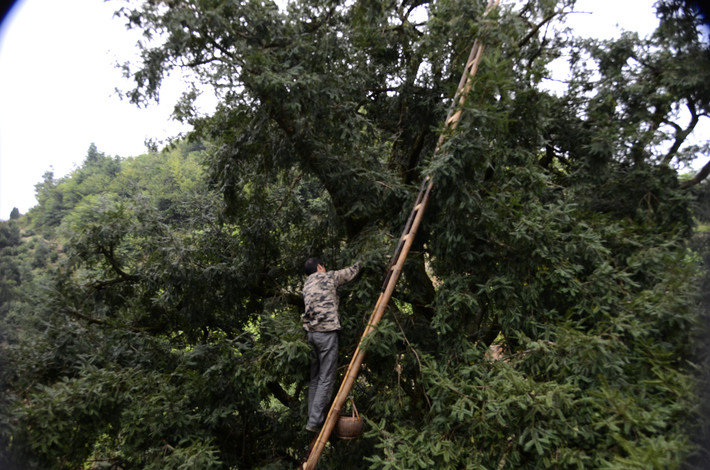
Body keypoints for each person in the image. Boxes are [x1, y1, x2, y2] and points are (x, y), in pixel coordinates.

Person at [302, 257, 361, 433]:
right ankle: (315, 421)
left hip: (311, 335)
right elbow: (350, 273)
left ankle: (312, 418)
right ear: (320, 267)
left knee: (315, 378)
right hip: (326, 333)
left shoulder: (306, 285)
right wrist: (362, 261)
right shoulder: (327, 277)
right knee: (326, 378)